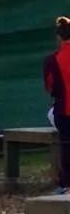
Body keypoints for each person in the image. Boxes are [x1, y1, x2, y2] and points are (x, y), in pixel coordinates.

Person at [45, 16, 70, 194]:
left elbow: (50, 87)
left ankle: (65, 184)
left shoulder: (52, 60)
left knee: (67, 145)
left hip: (65, 110)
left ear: (59, 37)